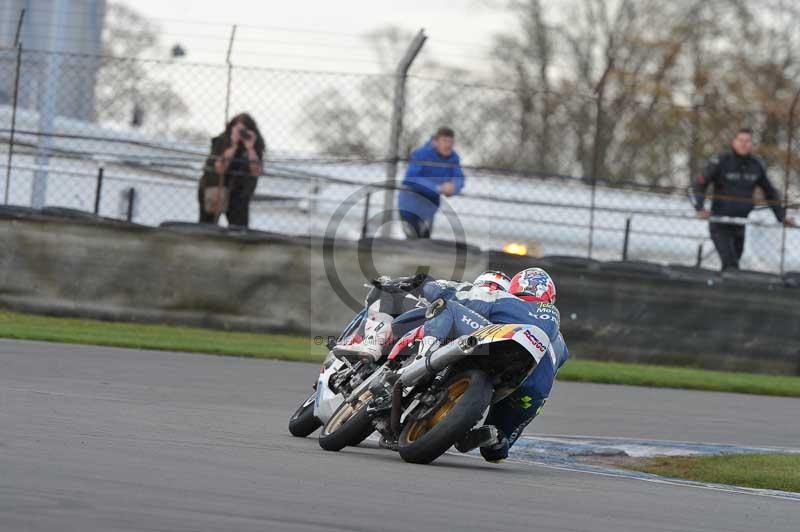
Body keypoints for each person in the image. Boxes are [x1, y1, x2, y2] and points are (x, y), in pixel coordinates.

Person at [402, 267, 569, 463]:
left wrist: (424, 283)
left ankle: (425, 357)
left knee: (447, 306)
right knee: (496, 450)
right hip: (533, 387)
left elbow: (446, 293)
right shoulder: (561, 343)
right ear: (550, 296)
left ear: (514, 286)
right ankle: (493, 438)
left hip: (493, 348)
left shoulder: (501, 298)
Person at [333, 271, 512, 363]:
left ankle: (373, 344)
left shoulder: (466, 288)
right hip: (462, 349)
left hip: (435, 326)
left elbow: (432, 287)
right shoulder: (504, 308)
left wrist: (407, 283)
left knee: (387, 292)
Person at [693, 128, 795, 270]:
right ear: (734, 142)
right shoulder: (721, 161)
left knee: (735, 262)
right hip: (720, 222)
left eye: (748, 141)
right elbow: (699, 184)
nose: (744, 144)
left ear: (752, 144)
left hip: (740, 223)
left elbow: (770, 192)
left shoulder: (756, 165)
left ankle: (725, 289)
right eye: (741, 140)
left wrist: (782, 217)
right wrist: (700, 208)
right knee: (731, 264)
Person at [198, 113, 265, 228]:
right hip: (215, 188)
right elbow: (219, 168)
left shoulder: (255, 145)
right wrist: (233, 145)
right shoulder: (222, 141)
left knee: (239, 229)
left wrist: (250, 148)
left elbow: (256, 172)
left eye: (244, 131)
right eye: (239, 130)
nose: (241, 134)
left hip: (240, 193)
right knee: (207, 227)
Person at [398, 127, 465, 239]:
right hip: (410, 205)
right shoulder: (421, 154)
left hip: (429, 207)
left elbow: (459, 177)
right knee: (412, 239)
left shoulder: (454, 158)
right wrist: (437, 188)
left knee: (424, 240)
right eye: (445, 141)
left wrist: (454, 187)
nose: (448, 145)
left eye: (451, 142)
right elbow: (411, 178)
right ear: (435, 141)